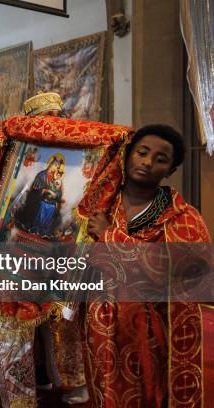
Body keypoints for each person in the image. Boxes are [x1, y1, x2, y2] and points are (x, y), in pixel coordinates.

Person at [85, 124, 211, 407]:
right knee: (102, 393)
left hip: (151, 334)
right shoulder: (102, 203)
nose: (148, 162)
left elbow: (169, 269)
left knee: (146, 396)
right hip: (97, 325)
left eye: (160, 159)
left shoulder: (182, 217)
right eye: (142, 152)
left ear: (170, 171)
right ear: (128, 155)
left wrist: (109, 237)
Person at [23, 91, 89, 405]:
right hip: (30, 248)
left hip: (66, 251)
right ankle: (41, 376)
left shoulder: (75, 163)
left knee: (64, 318)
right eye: (44, 121)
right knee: (29, 316)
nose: (52, 126)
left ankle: (71, 381)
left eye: (56, 118)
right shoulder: (28, 164)